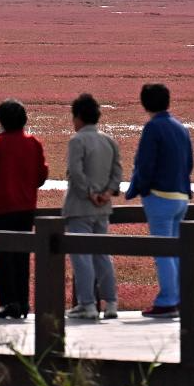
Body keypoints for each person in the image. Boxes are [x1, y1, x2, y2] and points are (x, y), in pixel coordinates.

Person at [0, 99, 49, 319]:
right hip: (25, 209)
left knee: (3, 257)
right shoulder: (34, 143)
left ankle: (8, 302)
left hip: (1, 209)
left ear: (2, 121)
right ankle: (23, 303)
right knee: (22, 256)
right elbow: (42, 175)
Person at [125, 83, 194, 318]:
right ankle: (181, 297)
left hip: (160, 198)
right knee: (175, 249)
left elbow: (144, 164)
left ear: (145, 103)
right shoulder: (180, 127)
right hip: (181, 196)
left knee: (163, 251)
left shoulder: (153, 128)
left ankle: (167, 300)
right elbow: (189, 164)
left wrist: (140, 190)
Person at [61, 94, 122, 320]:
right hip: (103, 209)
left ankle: (87, 304)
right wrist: (106, 193)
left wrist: (90, 193)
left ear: (78, 117)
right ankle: (111, 302)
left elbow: (76, 173)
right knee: (102, 255)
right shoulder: (109, 141)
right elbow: (117, 173)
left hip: (80, 208)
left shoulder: (77, 141)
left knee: (82, 256)